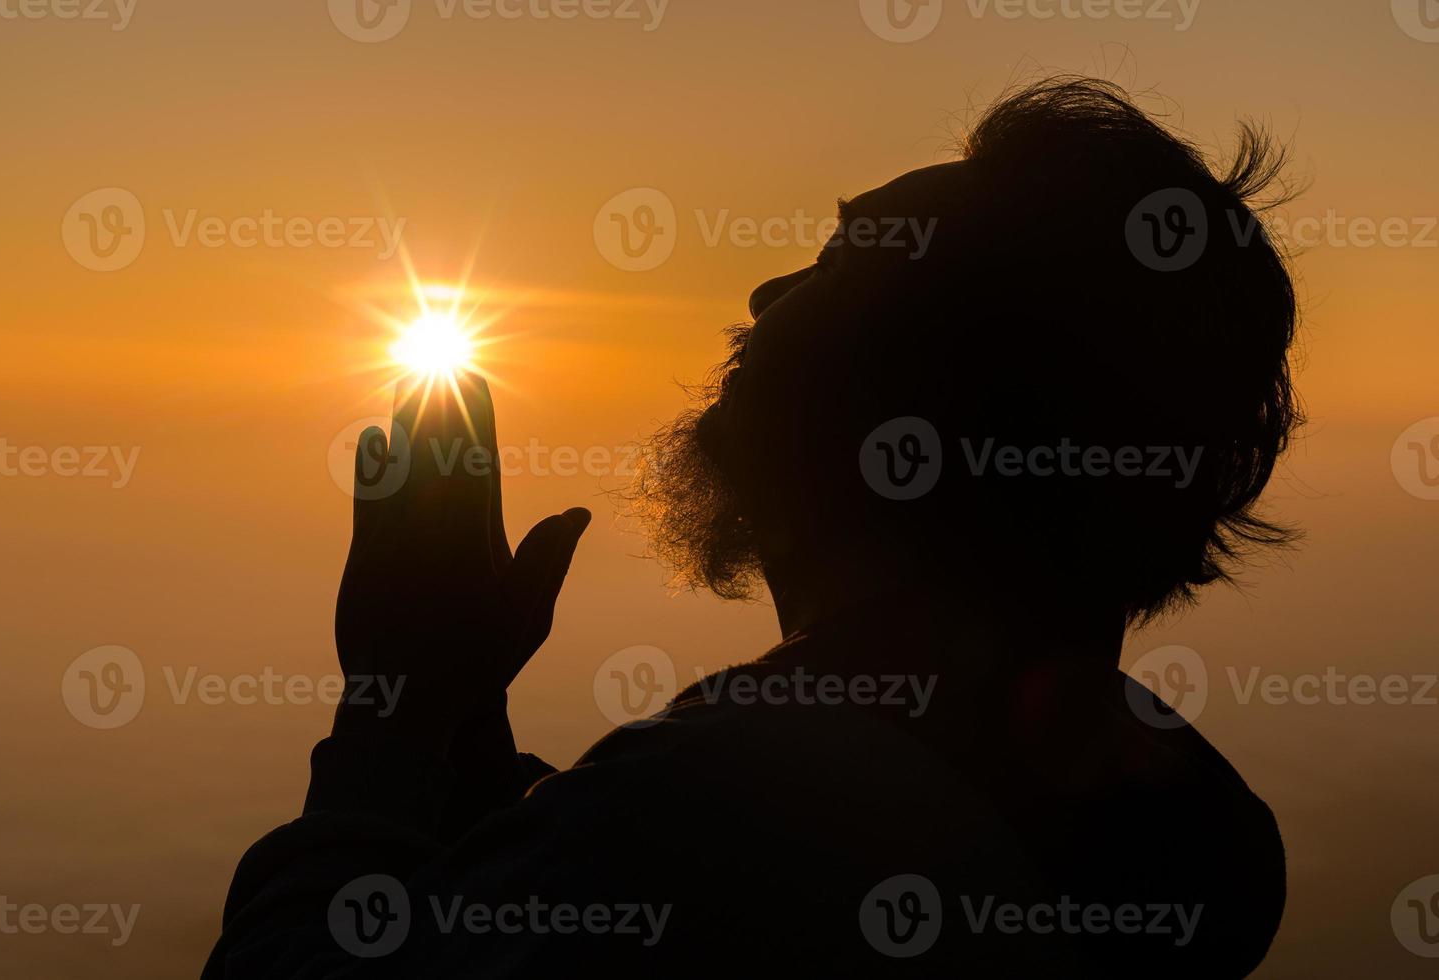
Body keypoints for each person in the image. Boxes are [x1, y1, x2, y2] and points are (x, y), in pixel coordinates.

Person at [203, 76, 1300, 978]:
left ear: (935, 386)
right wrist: (468, 719)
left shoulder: (737, 803)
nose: (767, 291)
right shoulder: (1177, 807)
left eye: (838, 262)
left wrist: (391, 710)